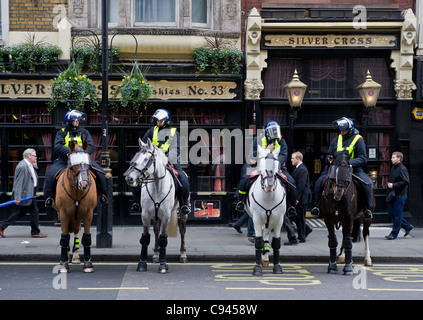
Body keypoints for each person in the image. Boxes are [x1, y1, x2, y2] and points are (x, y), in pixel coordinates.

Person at [311, 117, 373, 220]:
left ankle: (367, 209)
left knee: (367, 184)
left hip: (353, 169)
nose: (342, 132)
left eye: (344, 130)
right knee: (318, 183)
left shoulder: (359, 140)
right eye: (341, 130)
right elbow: (329, 154)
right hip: (334, 169)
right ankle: (316, 207)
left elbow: (363, 159)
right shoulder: (336, 139)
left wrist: (348, 164)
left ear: (351, 129)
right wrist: (329, 159)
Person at [132, 108, 190, 215]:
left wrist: (166, 158)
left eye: (161, 121)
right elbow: (143, 146)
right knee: (138, 178)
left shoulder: (174, 132)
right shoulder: (151, 131)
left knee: (183, 179)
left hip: (169, 160)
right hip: (151, 161)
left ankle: (184, 204)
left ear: (166, 121)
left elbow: (176, 149)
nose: (158, 122)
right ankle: (136, 202)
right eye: (157, 120)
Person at [44, 110, 108, 207]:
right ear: (69, 121)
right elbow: (58, 146)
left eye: (78, 120)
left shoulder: (84, 132)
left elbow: (90, 145)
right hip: (65, 160)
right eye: (75, 120)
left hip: (82, 160)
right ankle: (49, 197)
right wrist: (70, 152)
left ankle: (102, 195)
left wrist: (81, 152)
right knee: (51, 173)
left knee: (100, 172)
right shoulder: (61, 133)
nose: (77, 122)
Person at [235, 120, 297, 216]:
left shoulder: (281, 141)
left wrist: (275, 163)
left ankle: (290, 206)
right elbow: (253, 154)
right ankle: (241, 202)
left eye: (276, 131)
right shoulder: (258, 139)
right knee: (244, 179)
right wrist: (267, 150)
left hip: (276, 167)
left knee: (291, 182)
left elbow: (283, 155)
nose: (275, 134)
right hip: (259, 166)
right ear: (267, 132)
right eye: (273, 131)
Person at [0, 149, 47, 238]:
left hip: (30, 192)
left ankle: (2, 226)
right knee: (34, 212)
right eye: (34, 155)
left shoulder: (29, 165)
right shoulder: (22, 166)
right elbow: (18, 183)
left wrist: (35, 166)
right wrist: (17, 197)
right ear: (29, 156)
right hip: (26, 194)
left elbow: (32, 177)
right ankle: (35, 232)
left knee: (21, 213)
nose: (36, 157)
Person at [385, 151, 413, 240]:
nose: (391, 159)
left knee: (397, 215)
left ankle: (393, 234)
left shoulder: (402, 169)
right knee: (392, 214)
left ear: (399, 159)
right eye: (392, 157)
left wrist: (393, 185)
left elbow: (406, 182)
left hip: (400, 195)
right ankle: (407, 226)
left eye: (393, 157)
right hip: (393, 195)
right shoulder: (393, 168)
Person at [291, 151, 313, 242]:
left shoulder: (302, 169)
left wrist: (297, 198)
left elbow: (301, 185)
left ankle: (302, 237)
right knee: (297, 216)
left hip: (302, 197)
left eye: (293, 158)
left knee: (301, 217)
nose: (291, 160)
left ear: (298, 159)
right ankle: (305, 231)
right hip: (301, 197)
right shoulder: (298, 168)